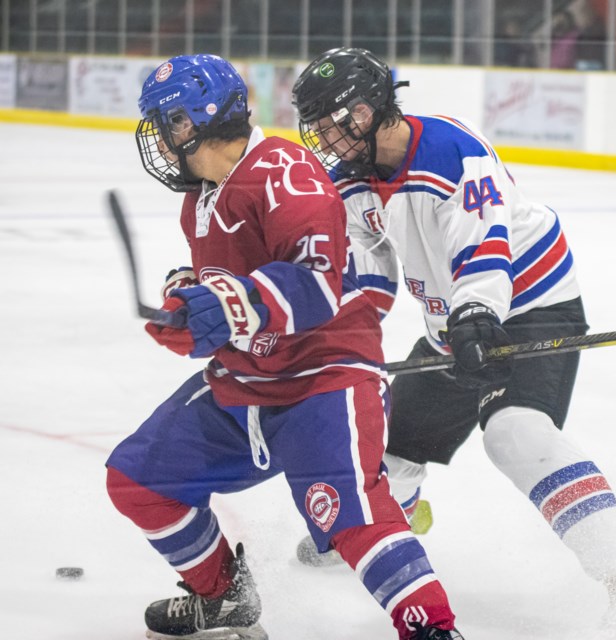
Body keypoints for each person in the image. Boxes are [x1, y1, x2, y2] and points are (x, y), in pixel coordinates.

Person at [290, 46, 616, 623]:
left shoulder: (449, 149)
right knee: (385, 450)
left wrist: (474, 316)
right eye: (319, 129)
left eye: (340, 123)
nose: (331, 140)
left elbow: (483, 248)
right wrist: (333, 335)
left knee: (515, 435)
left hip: (530, 303)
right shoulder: (350, 183)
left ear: (374, 108)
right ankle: (395, 525)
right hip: (456, 323)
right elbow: (368, 271)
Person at [105, 53, 463, 640]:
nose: (162, 141)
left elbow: (318, 279)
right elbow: (234, 279)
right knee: (137, 480)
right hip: (245, 381)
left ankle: (433, 630)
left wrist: (228, 305)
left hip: (325, 377)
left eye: (166, 125)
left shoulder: (282, 170)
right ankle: (222, 599)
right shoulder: (203, 195)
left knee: (355, 518)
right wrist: (188, 298)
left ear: (193, 122)